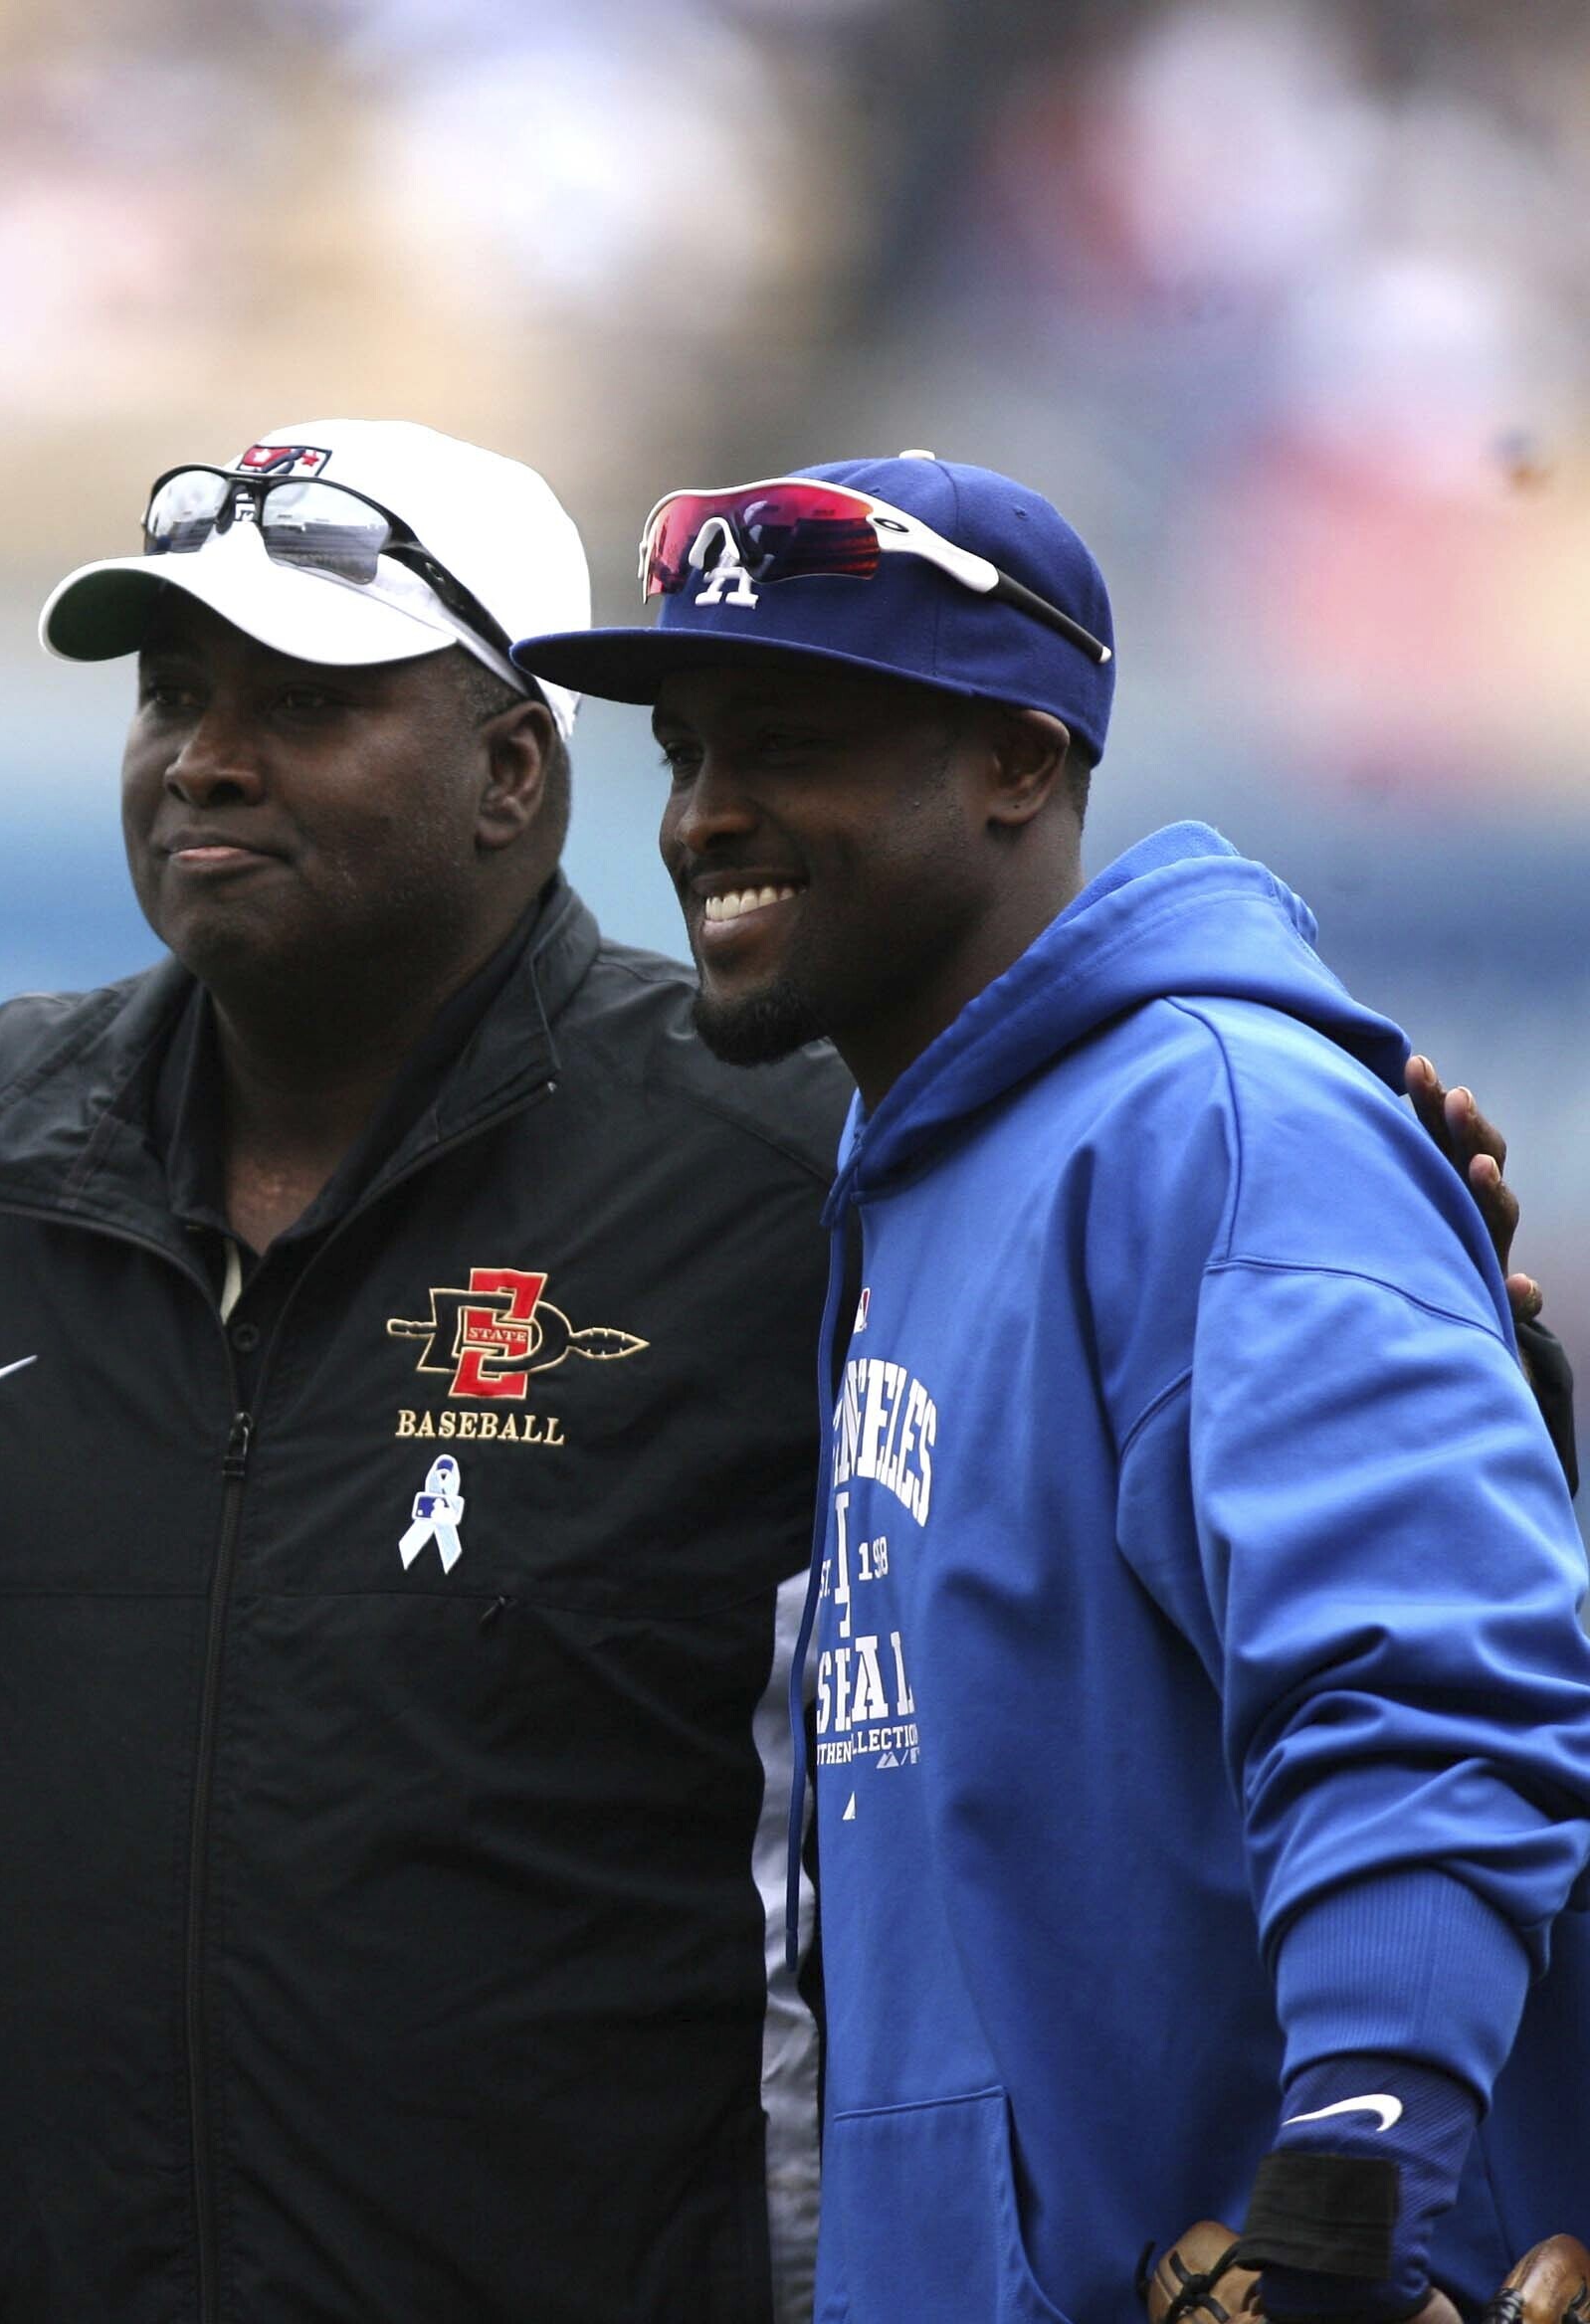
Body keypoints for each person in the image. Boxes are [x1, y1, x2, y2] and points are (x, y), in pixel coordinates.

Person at [0, 419, 851, 2321]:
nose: (204, 754)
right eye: (173, 694)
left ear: (511, 768)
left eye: (301, 700)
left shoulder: (786, 1179)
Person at [513, 454, 1590, 2321]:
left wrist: (1350, 2188)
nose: (704, 814)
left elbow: (1426, 1691)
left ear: (1020, 759)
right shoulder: (920, 1168)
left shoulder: (1216, 1121)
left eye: (786, 738)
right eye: (684, 750)